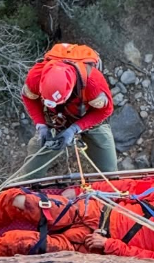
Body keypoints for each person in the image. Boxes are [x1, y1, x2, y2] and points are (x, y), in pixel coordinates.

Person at [0, 175, 154, 260]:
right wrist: (80, 192)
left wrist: (109, 245)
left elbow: (149, 259)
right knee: (19, 200)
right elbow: (125, 187)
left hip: (92, 246)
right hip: (94, 209)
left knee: (18, 243)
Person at [17, 43, 118, 179]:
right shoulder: (36, 76)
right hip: (55, 119)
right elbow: (29, 98)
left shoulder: (93, 84)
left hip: (89, 117)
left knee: (109, 171)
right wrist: (41, 125)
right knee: (30, 173)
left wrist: (74, 129)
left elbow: (104, 111)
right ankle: (28, 186)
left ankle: (110, 185)